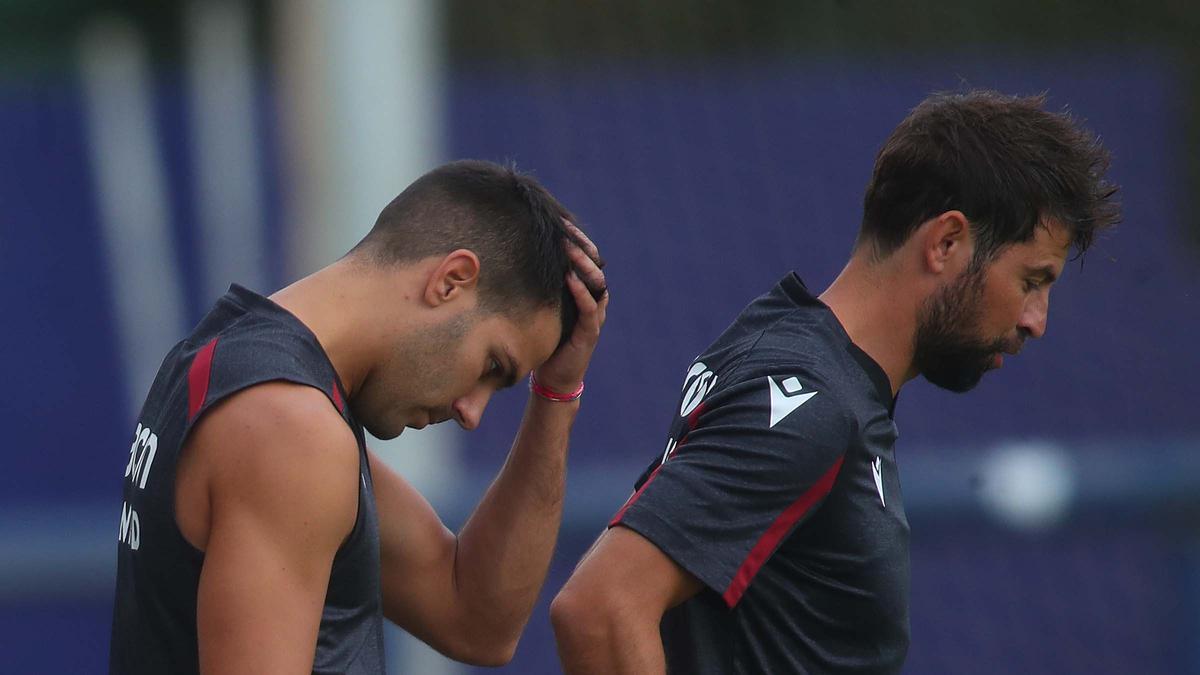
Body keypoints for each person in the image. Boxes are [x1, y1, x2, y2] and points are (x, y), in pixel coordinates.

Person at [550, 90, 1120, 674]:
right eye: (1032, 280)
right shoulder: (811, 396)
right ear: (947, 243)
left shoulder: (811, 366)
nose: (1037, 321)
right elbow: (601, 608)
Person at [108, 160, 608, 674]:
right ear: (451, 281)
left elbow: (474, 620)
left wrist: (556, 391)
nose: (471, 412)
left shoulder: (237, 366)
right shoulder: (289, 426)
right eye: (491, 366)